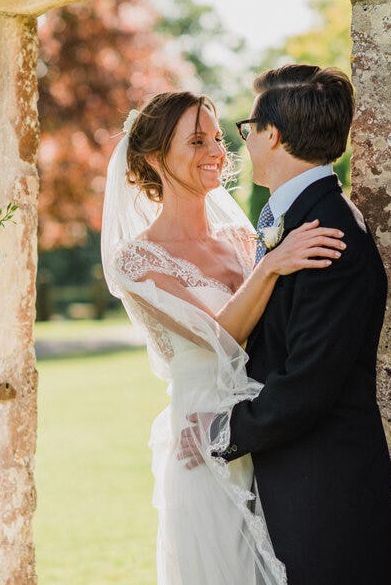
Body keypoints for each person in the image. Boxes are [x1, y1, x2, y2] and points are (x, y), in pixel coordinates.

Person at [100, 90, 345, 585]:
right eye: (196, 141)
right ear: (153, 158)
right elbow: (220, 338)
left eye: (217, 137)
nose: (217, 151)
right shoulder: (137, 261)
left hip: (271, 429)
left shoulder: (242, 239)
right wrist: (272, 266)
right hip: (202, 439)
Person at [198, 64, 391, 583]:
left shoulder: (328, 235)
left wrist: (219, 432)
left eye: (248, 130)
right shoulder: (304, 220)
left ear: (273, 134)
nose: (244, 143)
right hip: (299, 478)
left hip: (325, 493)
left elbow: (309, 384)